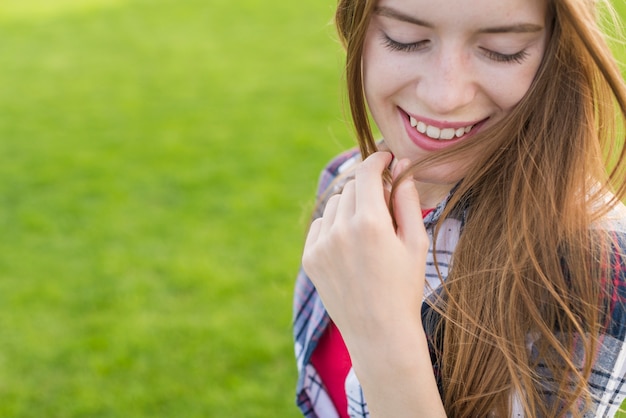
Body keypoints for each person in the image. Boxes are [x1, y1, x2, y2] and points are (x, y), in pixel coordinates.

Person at [293, 0, 626, 416]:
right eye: (406, 40)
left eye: (502, 50)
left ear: (558, 51)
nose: (445, 97)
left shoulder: (593, 260)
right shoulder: (346, 181)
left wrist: (386, 345)